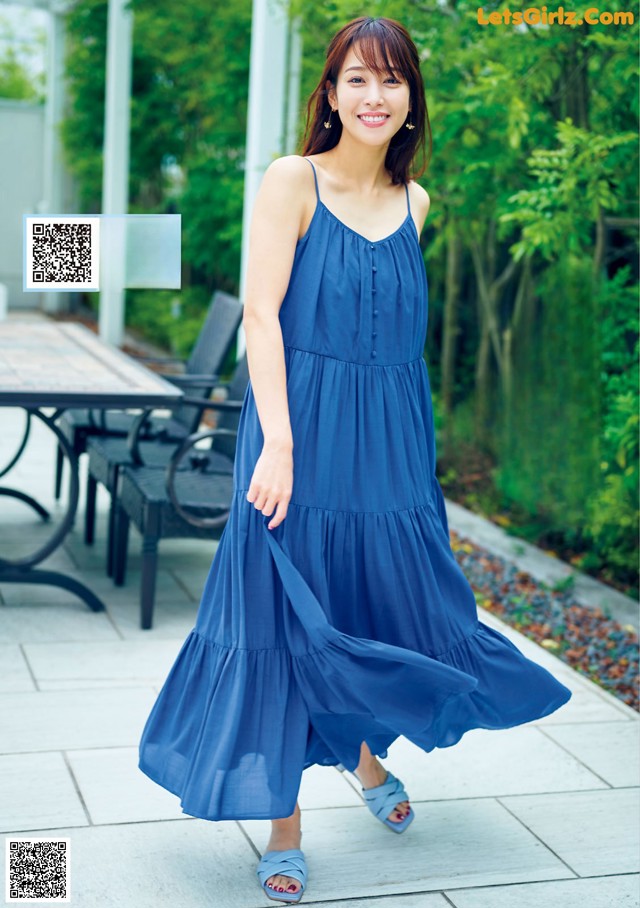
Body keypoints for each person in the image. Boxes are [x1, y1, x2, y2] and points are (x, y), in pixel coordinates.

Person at [138, 15, 572, 904]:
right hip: (294, 439)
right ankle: (284, 827)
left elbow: (396, 354)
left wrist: (419, 466)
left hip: (390, 454)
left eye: (393, 81)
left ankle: (367, 761)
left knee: (379, 610)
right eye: (357, 79)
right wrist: (282, 445)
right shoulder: (292, 180)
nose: (375, 96)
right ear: (330, 93)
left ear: (412, 101)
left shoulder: (418, 205)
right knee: (283, 620)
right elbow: (263, 318)